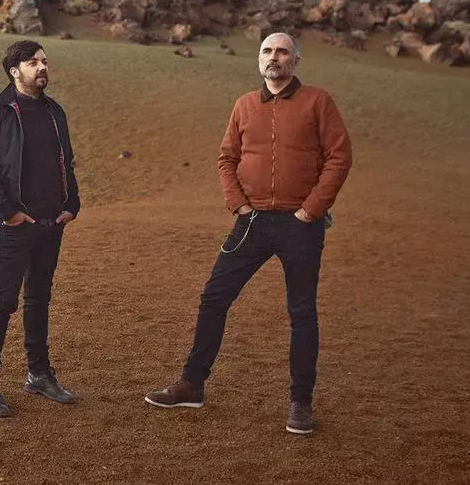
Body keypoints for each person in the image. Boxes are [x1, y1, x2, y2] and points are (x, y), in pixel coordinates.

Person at [144, 32, 352, 434]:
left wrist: (311, 210)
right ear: (259, 60)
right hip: (251, 223)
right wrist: (238, 204)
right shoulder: (244, 105)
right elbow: (227, 158)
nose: (274, 57)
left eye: (282, 51)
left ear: (296, 60)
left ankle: (300, 403)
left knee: (301, 313)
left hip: (300, 226)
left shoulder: (318, 102)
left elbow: (339, 157)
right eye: (267, 51)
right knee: (214, 297)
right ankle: (192, 385)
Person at [0, 40, 81, 418]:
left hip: (51, 222)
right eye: (33, 62)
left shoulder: (54, 111)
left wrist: (71, 204)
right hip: (14, 224)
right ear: (14, 71)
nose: (42, 67)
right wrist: (9, 212)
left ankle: (38, 374)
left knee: (39, 299)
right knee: (4, 300)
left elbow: (66, 161)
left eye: (44, 61)